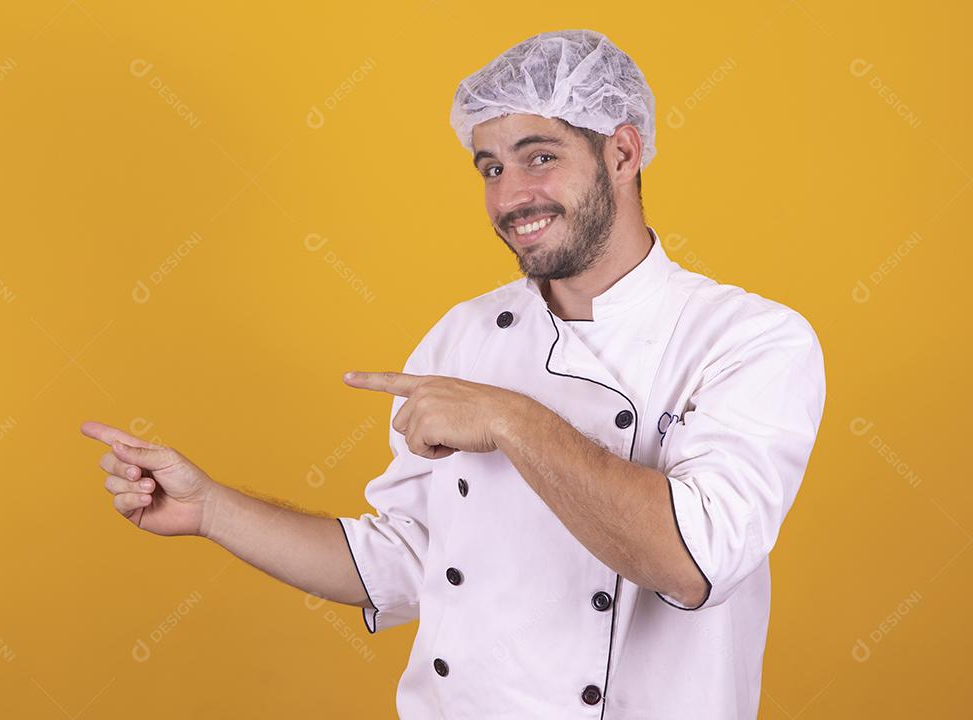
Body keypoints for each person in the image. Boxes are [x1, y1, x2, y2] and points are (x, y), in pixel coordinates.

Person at [82, 29, 825, 719]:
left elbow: (693, 562)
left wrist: (508, 418)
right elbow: (406, 562)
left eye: (541, 157)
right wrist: (212, 510)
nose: (509, 198)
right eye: (491, 167)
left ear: (623, 154)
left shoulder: (749, 341)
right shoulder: (463, 336)